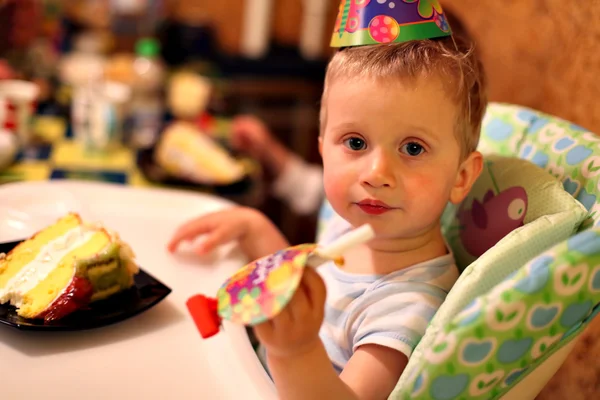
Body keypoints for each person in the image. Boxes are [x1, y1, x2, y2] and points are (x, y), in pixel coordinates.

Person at [168, 15, 487, 400]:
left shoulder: (409, 306)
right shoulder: (353, 226)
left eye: (413, 148)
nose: (376, 173)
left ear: (461, 177)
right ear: (322, 150)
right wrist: (253, 228)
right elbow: (301, 284)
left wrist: (295, 352)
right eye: (355, 143)